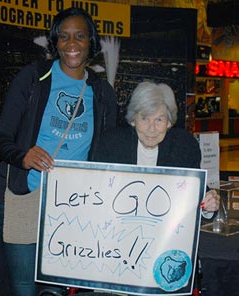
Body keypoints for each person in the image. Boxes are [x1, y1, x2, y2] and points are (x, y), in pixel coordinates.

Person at [0, 7, 117, 296]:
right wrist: (22, 155)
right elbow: (0, 137)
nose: (72, 44)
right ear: (55, 42)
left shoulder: (102, 93)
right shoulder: (33, 78)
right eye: (64, 37)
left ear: (91, 42)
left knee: (55, 293)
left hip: (72, 208)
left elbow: (109, 151)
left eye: (80, 36)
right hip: (24, 196)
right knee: (24, 291)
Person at [92, 81, 220, 215]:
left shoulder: (185, 147)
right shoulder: (111, 144)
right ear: (133, 120)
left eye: (159, 120)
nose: (151, 128)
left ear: (169, 122)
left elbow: (197, 193)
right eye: (144, 119)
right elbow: (96, 192)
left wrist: (208, 205)